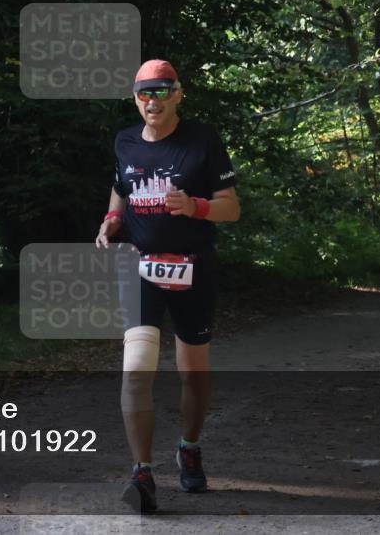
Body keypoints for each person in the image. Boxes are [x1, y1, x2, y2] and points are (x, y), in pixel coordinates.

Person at [95, 59, 240, 512]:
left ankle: (189, 445)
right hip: (141, 268)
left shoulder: (203, 141)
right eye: (143, 93)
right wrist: (113, 219)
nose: (151, 100)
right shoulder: (124, 141)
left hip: (194, 268)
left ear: (178, 94)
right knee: (136, 366)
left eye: (161, 91)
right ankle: (142, 472)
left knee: (192, 374)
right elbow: (121, 187)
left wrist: (196, 206)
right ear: (134, 98)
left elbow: (231, 208)